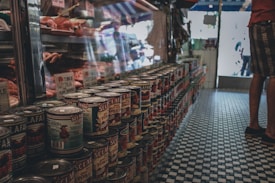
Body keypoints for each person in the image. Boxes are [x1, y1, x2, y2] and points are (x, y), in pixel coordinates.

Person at [245, 0, 275, 146]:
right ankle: (271, 131)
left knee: (258, 74)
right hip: (271, 22)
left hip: (256, 23)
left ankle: (253, 125)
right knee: (274, 75)